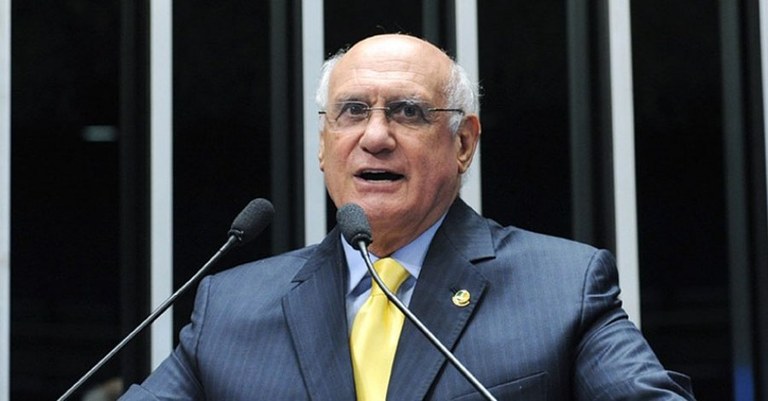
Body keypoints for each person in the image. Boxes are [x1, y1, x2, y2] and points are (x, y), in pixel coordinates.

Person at [120, 34, 695, 400]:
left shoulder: (562, 287)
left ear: (463, 143)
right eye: (352, 111)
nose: (375, 136)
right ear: (323, 145)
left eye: (408, 112)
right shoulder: (231, 308)